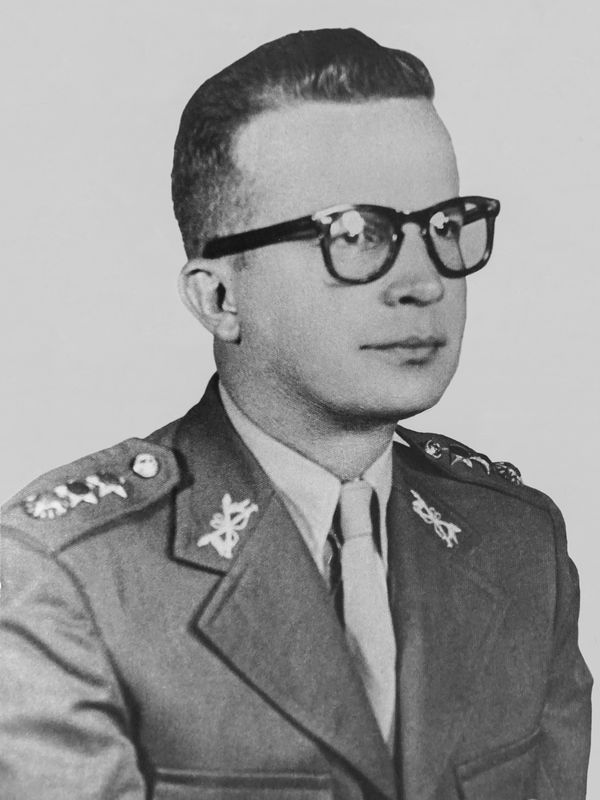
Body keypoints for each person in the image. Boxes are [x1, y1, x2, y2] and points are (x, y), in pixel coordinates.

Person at [0, 27, 592, 800]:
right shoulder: (67, 577)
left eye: (445, 228)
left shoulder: (517, 545)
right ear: (219, 297)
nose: (423, 282)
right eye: (357, 235)